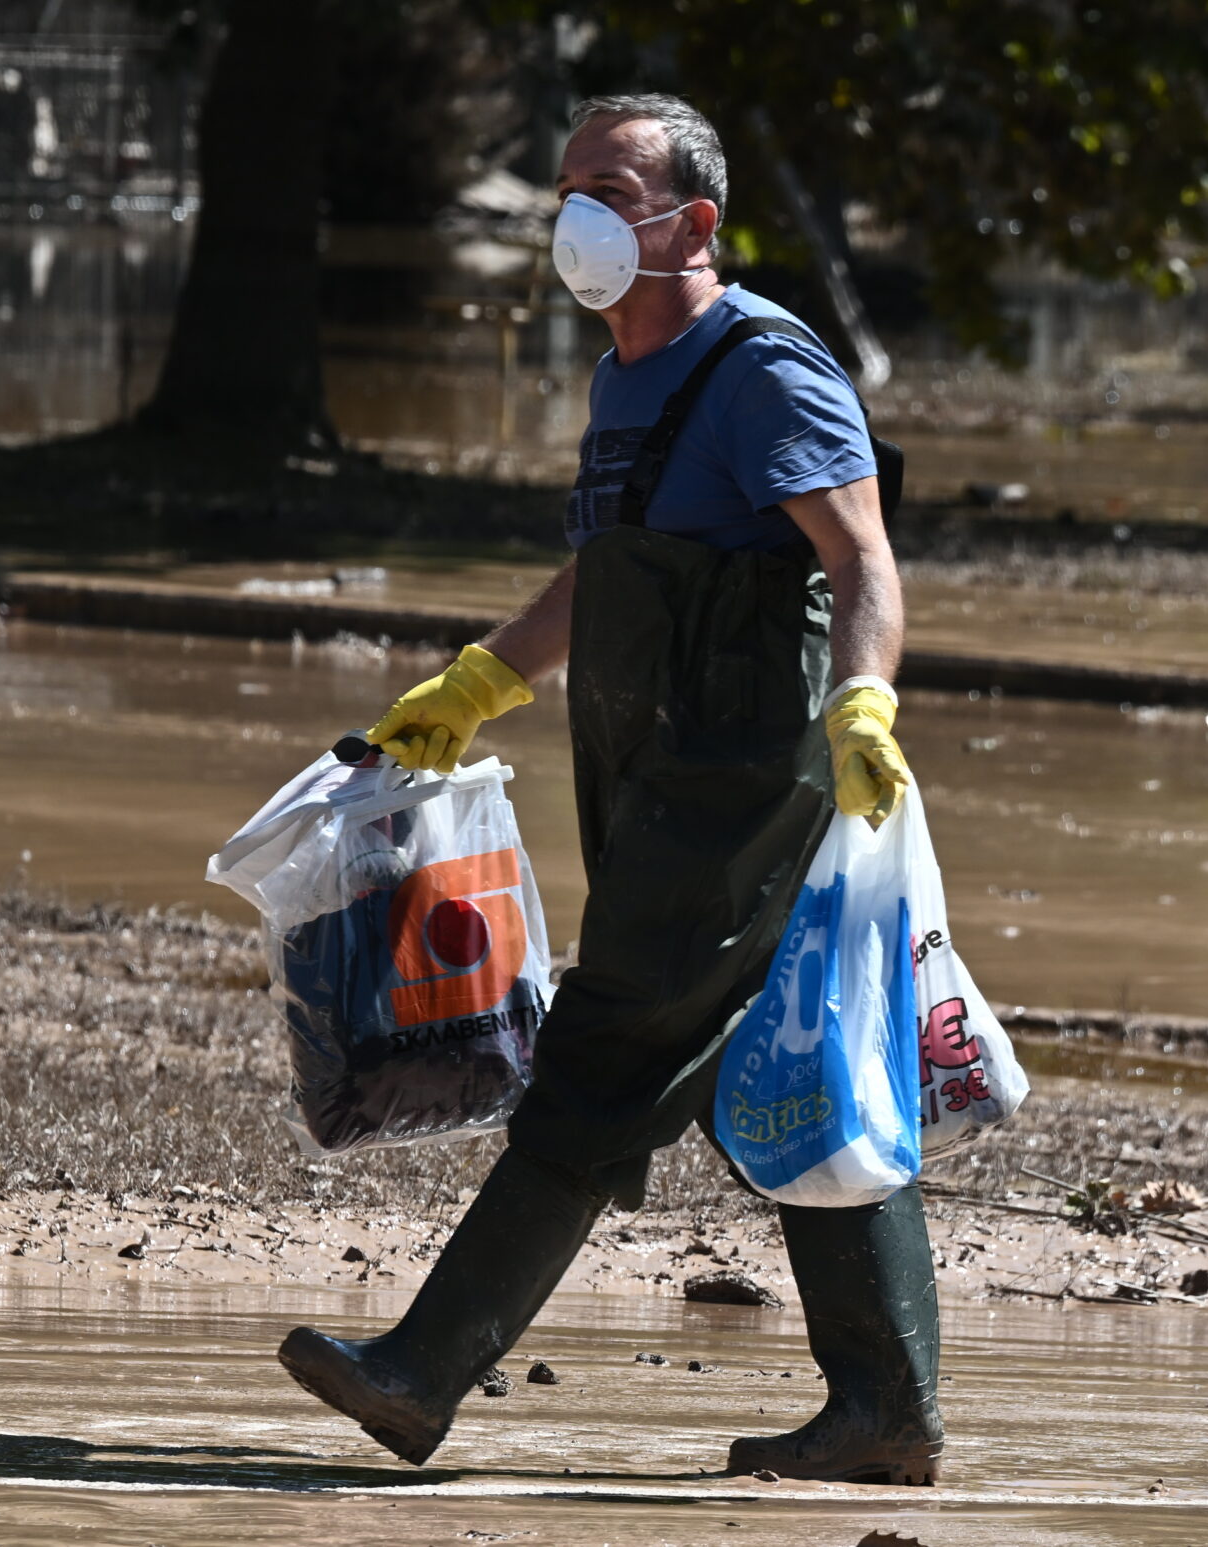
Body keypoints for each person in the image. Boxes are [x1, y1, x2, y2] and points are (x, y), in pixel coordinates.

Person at [276, 94, 938, 1485]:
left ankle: (420, 1371)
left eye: (609, 186)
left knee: (610, 1048)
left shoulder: (762, 365)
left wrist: (865, 701)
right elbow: (609, 573)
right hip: (649, 768)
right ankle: (884, 1408)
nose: (574, 209)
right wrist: (478, 686)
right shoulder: (622, 377)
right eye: (567, 181)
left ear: (692, 222)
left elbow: (864, 557)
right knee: (781, 1071)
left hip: (745, 773)